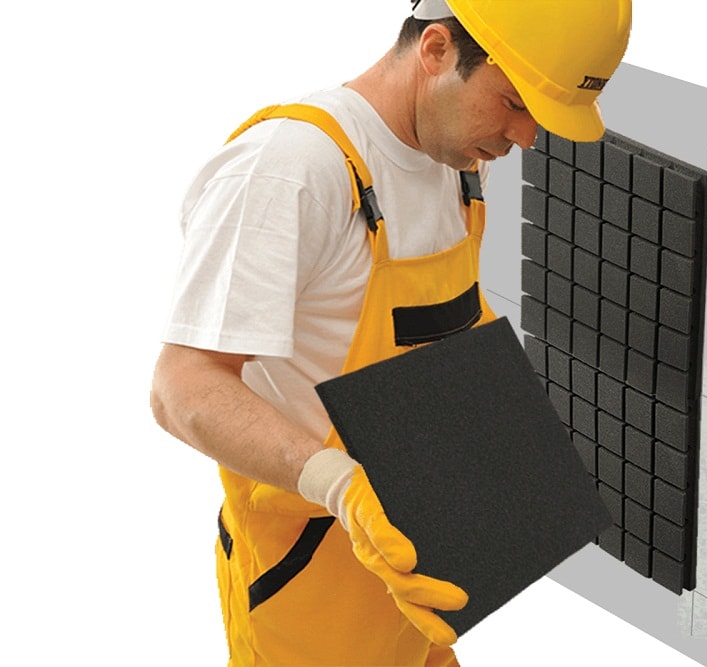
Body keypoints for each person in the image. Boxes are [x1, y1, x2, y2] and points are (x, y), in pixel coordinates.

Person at [150, 0, 631, 664]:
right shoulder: (292, 171)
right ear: (436, 50)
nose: (525, 138)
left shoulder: (459, 160)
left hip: (421, 571)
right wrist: (339, 485)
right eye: (514, 104)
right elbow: (182, 387)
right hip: (313, 585)